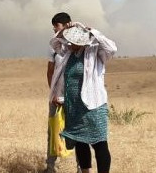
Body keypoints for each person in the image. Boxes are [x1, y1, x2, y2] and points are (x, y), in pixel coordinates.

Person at [49, 13, 117, 173]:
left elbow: (112, 48)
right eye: (70, 41)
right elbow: (54, 43)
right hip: (73, 106)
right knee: (80, 142)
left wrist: (92, 32)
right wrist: (66, 30)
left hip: (93, 106)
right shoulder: (67, 53)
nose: (70, 44)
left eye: (74, 41)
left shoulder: (95, 52)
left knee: (100, 143)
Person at [47, 12, 82, 173]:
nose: (55, 29)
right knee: (53, 131)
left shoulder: (79, 44)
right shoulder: (54, 47)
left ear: (67, 25)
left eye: (57, 26)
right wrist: (53, 93)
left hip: (76, 98)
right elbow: (50, 71)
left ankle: (81, 167)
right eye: (53, 27)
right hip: (56, 97)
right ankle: (50, 167)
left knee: (78, 133)